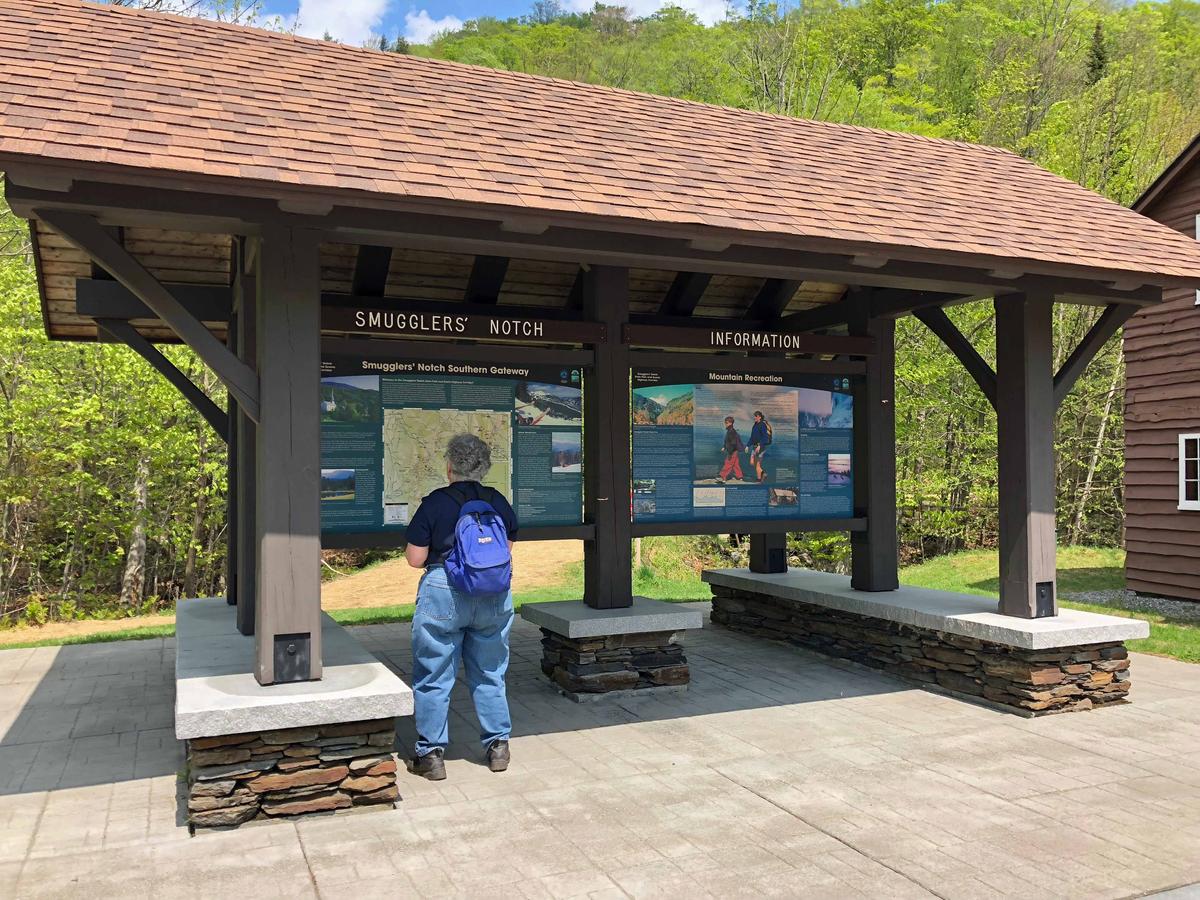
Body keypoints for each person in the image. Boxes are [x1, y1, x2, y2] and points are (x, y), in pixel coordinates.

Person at [403, 433, 518, 781]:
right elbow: (506, 549)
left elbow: (415, 558)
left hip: (444, 588)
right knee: (490, 671)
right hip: (492, 592)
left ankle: (432, 754)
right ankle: (498, 746)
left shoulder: (435, 503)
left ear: (450, 466)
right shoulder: (496, 500)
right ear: (483, 467)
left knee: (435, 672)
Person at [717, 415, 745, 483]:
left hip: (732, 451)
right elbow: (727, 440)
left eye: (726, 423)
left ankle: (723, 477)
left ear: (731, 423)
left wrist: (730, 452)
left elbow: (733, 443)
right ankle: (740, 476)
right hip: (734, 450)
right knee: (735, 464)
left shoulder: (731, 431)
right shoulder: (730, 430)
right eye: (725, 422)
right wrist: (724, 446)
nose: (725, 424)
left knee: (728, 463)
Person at [748, 410, 772, 483]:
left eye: (756, 416)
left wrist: (760, 445)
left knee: (757, 465)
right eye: (754, 416)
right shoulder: (755, 425)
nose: (754, 417)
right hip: (755, 447)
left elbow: (765, 437)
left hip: (760, 447)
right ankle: (762, 474)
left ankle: (759, 478)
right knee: (753, 463)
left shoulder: (762, 425)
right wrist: (747, 445)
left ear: (760, 417)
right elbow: (752, 437)